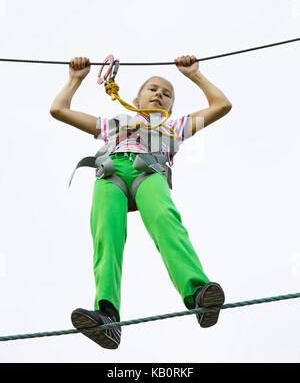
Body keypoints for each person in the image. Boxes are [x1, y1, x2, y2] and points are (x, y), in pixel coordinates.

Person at [49, 55, 232, 349]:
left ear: (171, 108)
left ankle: (199, 293)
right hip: (110, 175)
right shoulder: (112, 125)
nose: (159, 94)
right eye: (153, 89)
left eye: (167, 94)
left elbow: (221, 105)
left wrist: (194, 74)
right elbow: (58, 109)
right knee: (106, 236)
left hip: (148, 172)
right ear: (135, 98)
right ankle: (107, 316)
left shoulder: (176, 127)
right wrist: (74, 79)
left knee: (166, 222)